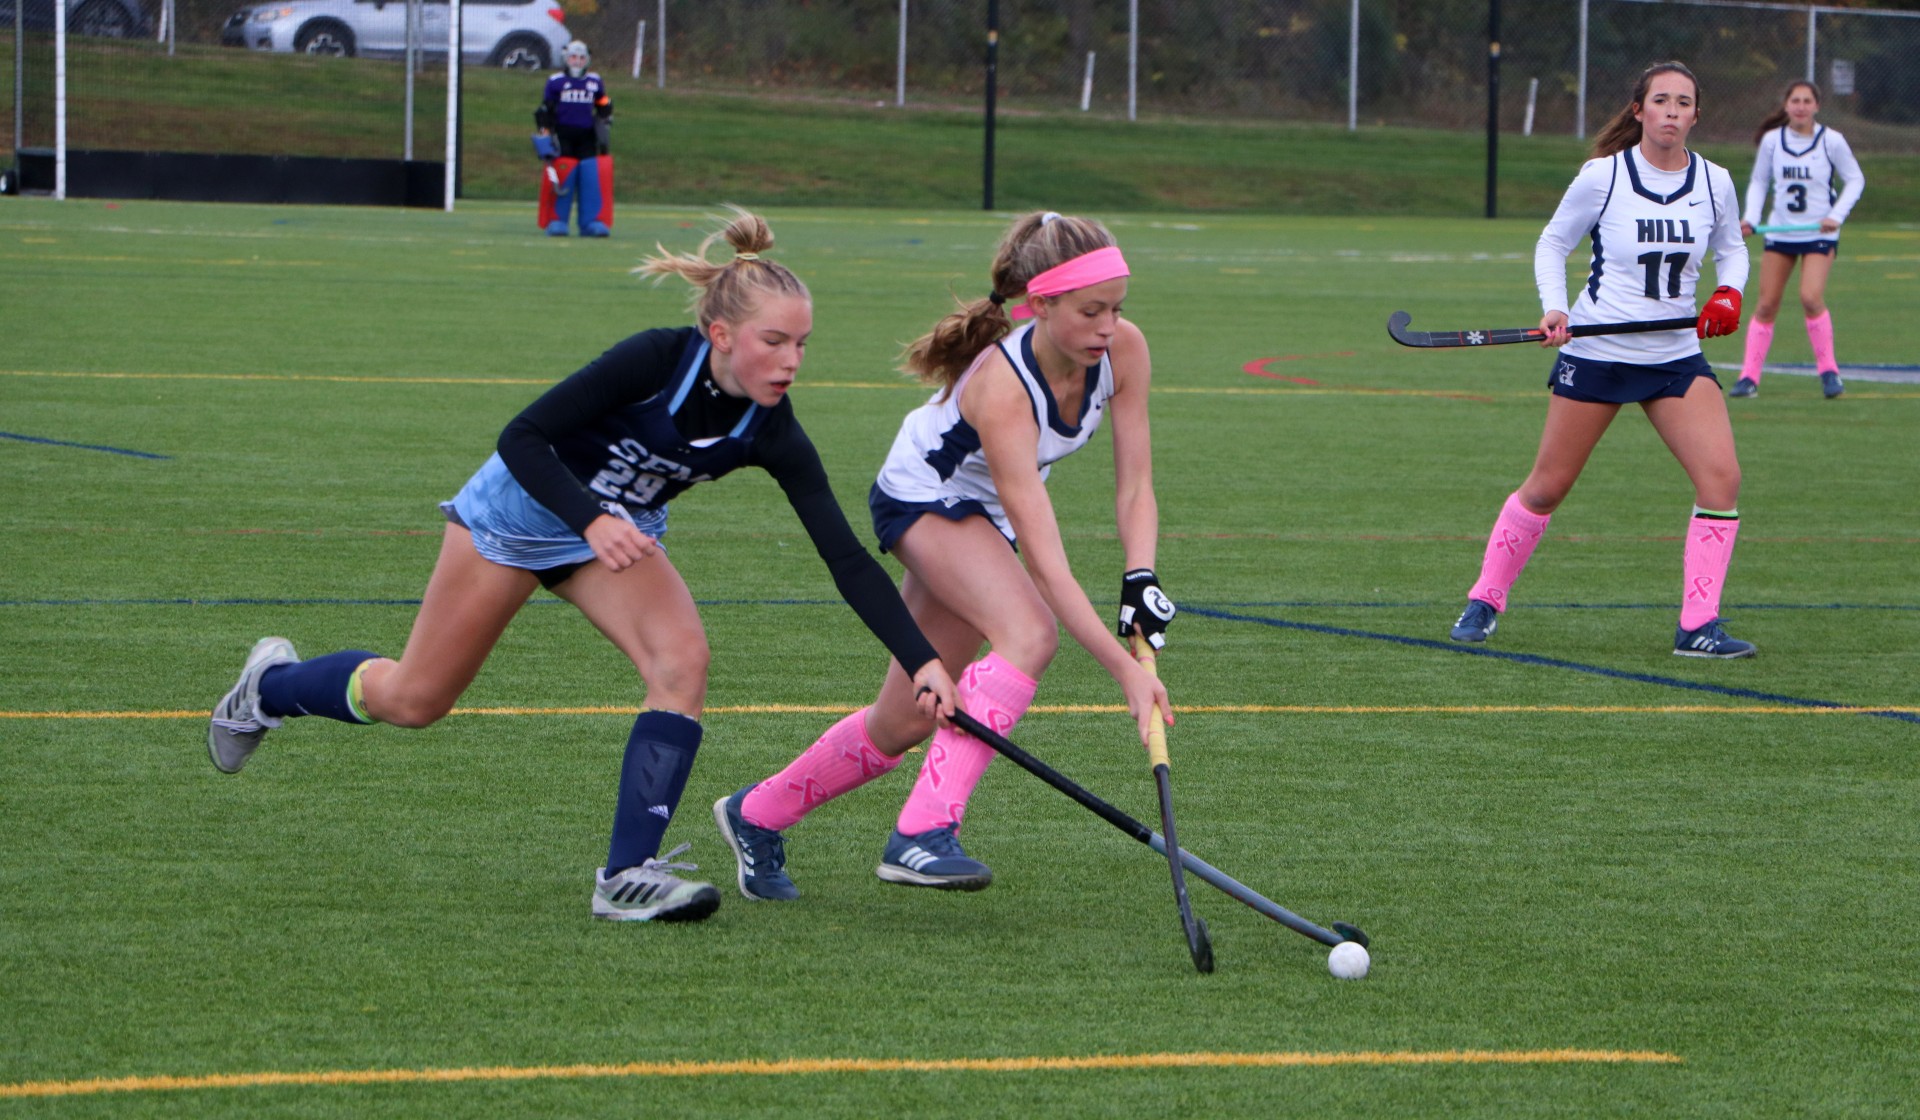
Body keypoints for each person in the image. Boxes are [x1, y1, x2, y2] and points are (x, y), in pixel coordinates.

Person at [207, 208, 958, 924]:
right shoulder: (652, 361)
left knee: (681, 661)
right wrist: (591, 519)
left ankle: (627, 876)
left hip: (612, 539)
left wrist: (920, 660)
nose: (791, 361)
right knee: (414, 699)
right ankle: (270, 686)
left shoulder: (771, 431)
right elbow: (523, 436)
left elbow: (844, 558)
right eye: (774, 341)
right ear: (721, 333)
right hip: (517, 517)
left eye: (802, 344)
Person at [712, 210, 1175, 902]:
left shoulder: (1122, 352)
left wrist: (1141, 575)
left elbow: (1136, 482)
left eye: (1116, 309)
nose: (1108, 327)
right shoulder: (1004, 387)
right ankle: (924, 832)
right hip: (921, 498)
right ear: (1039, 305)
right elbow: (1047, 566)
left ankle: (756, 814)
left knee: (901, 721)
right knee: (1029, 632)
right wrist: (1125, 674)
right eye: (1090, 311)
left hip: (982, 517)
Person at [1447, 62, 1756, 659]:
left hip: (1673, 356)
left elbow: (1732, 250)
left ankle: (1697, 625)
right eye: (1660, 100)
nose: (1671, 111)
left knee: (1722, 479)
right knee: (1547, 487)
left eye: (1683, 102)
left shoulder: (1715, 181)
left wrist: (1727, 293)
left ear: (1696, 115)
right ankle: (1485, 599)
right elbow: (1553, 242)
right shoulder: (1604, 176)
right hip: (1597, 350)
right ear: (1638, 111)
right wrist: (1555, 308)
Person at [1731, 80, 1865, 400]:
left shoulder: (1831, 141)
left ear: (1816, 106)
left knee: (1810, 297)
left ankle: (1829, 373)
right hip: (1780, 232)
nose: (1801, 106)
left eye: (1807, 101)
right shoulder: (1772, 141)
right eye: (1795, 100)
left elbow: (1855, 179)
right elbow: (1760, 181)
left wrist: (1837, 216)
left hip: (1818, 235)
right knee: (1765, 304)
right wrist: (1751, 216)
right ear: (1787, 105)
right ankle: (1749, 377)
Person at [534, 40, 614, 237]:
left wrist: (606, 108)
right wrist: (545, 130)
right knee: (563, 175)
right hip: (563, 135)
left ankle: (591, 222)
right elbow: (546, 109)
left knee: (590, 175)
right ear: (565, 58)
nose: (577, 62)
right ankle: (557, 220)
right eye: (573, 57)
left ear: (587, 60)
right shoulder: (556, 81)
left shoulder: (594, 81)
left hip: (587, 135)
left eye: (581, 58)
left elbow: (602, 101)